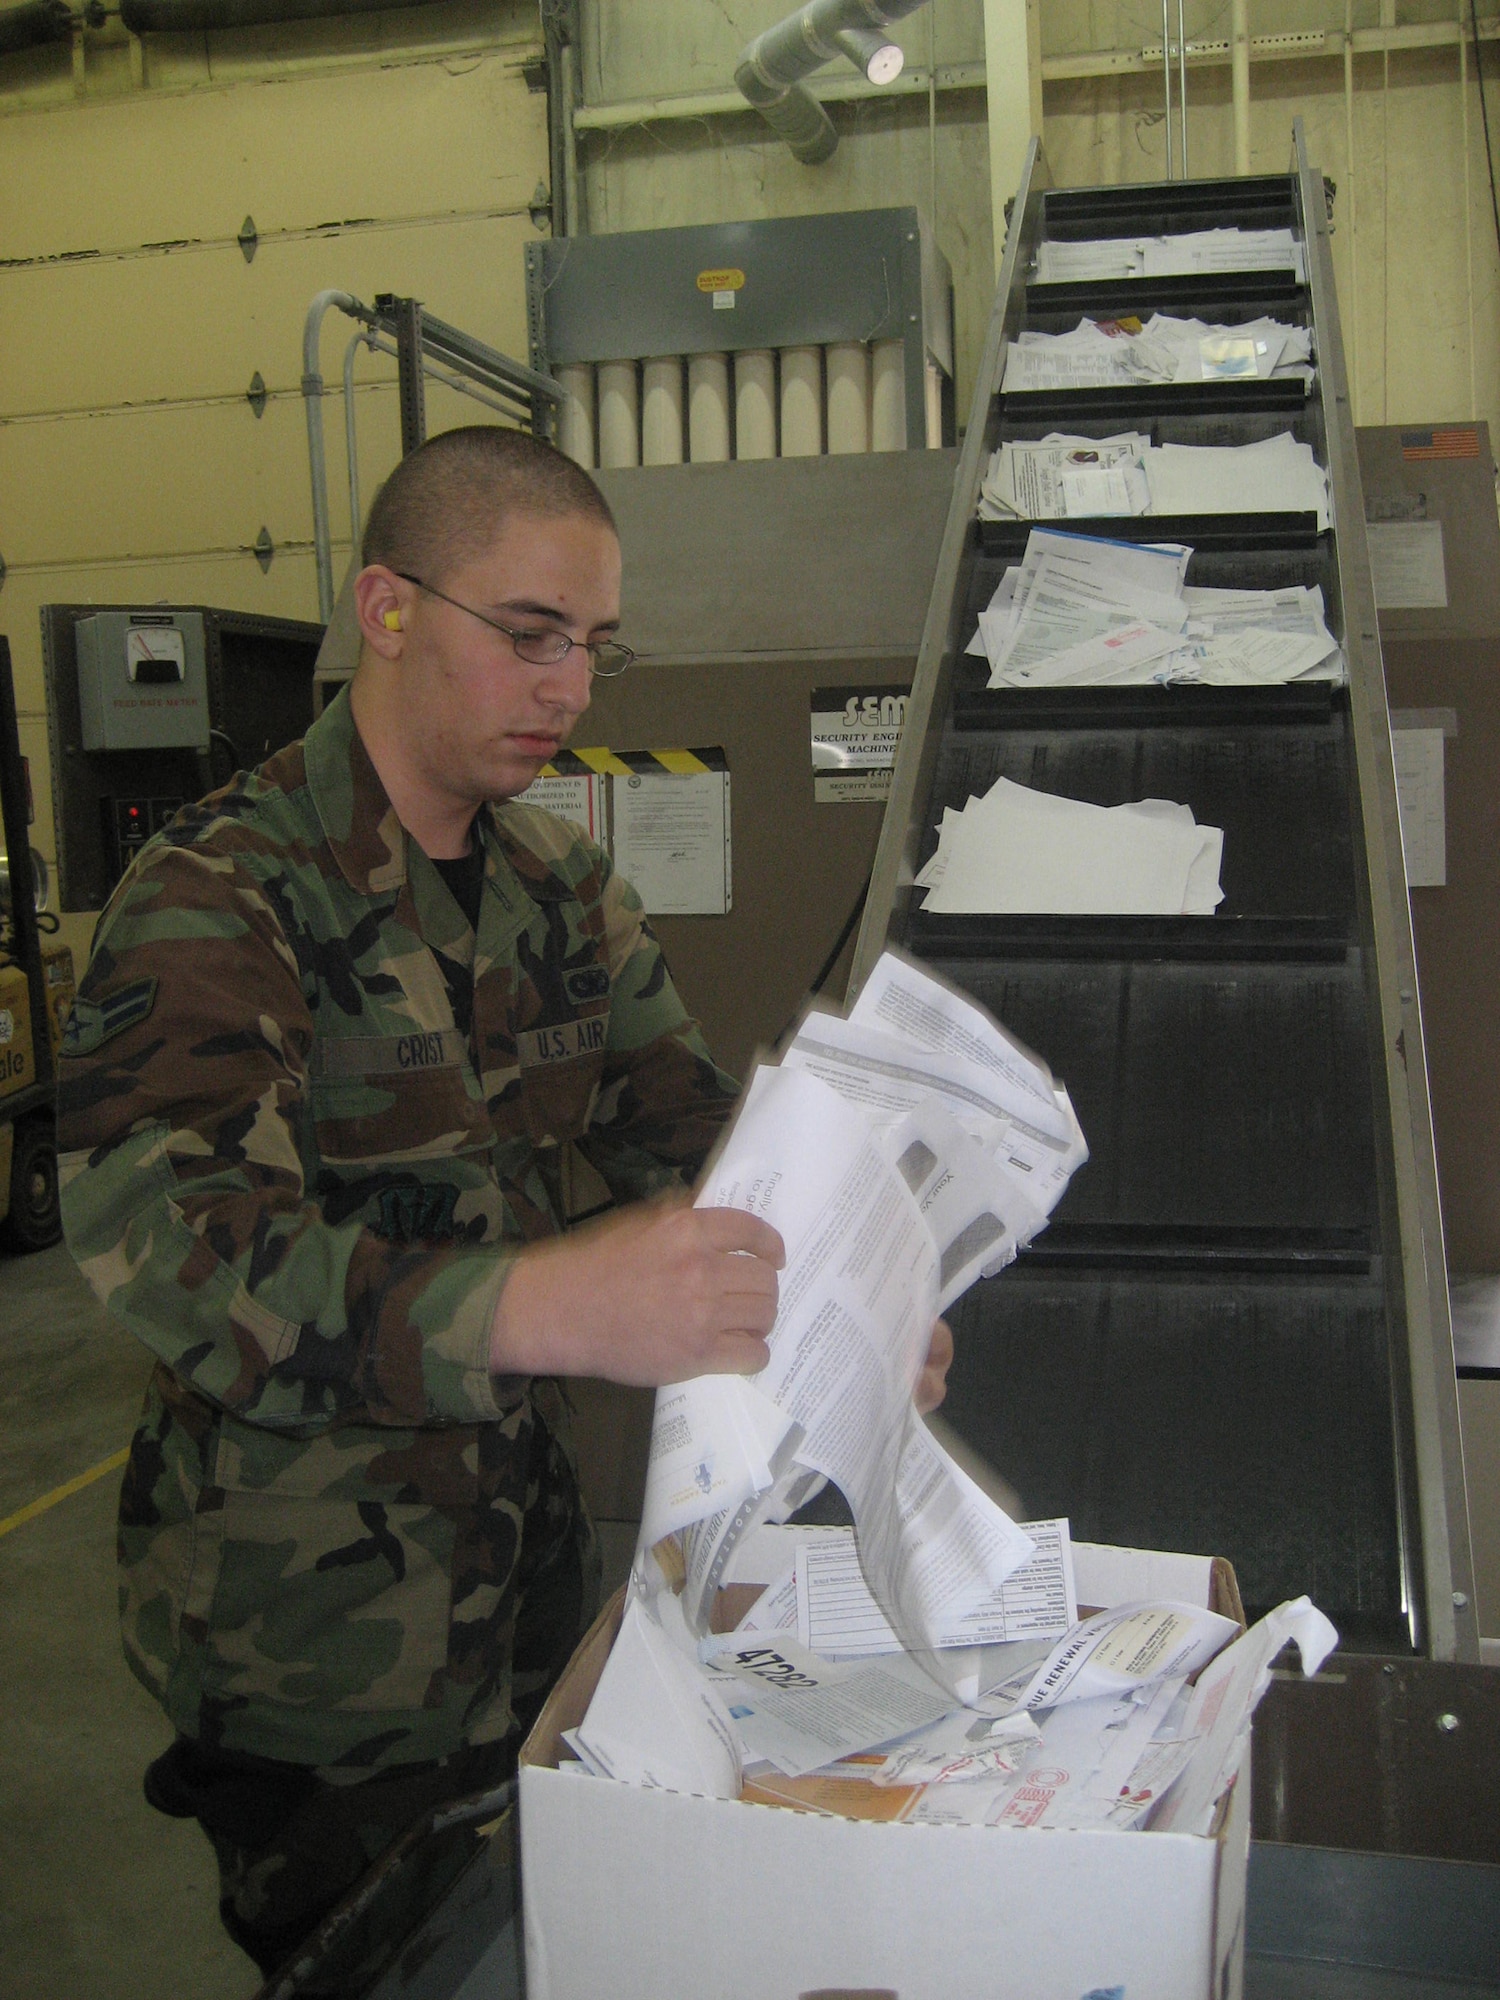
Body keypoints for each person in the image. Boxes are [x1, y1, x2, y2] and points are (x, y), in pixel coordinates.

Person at [58, 425, 951, 1988]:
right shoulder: (221, 895)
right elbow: (183, 1257)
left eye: (595, 649)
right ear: (388, 609)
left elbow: (690, 1138)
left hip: (527, 1587)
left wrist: (849, 1304)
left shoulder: (560, 892)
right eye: (531, 637)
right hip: (312, 1656)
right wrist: (555, 1306)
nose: (571, 691)